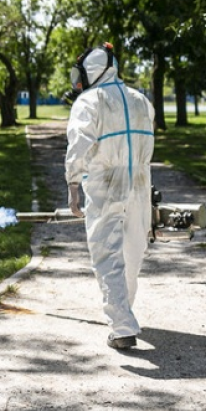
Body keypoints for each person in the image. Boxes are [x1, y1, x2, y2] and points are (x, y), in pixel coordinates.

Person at [64, 43, 155, 350]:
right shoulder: (141, 99)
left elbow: (79, 144)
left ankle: (122, 325)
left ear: (91, 71)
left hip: (105, 181)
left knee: (108, 253)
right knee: (132, 251)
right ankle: (123, 317)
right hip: (141, 182)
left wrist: (73, 184)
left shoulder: (90, 100)